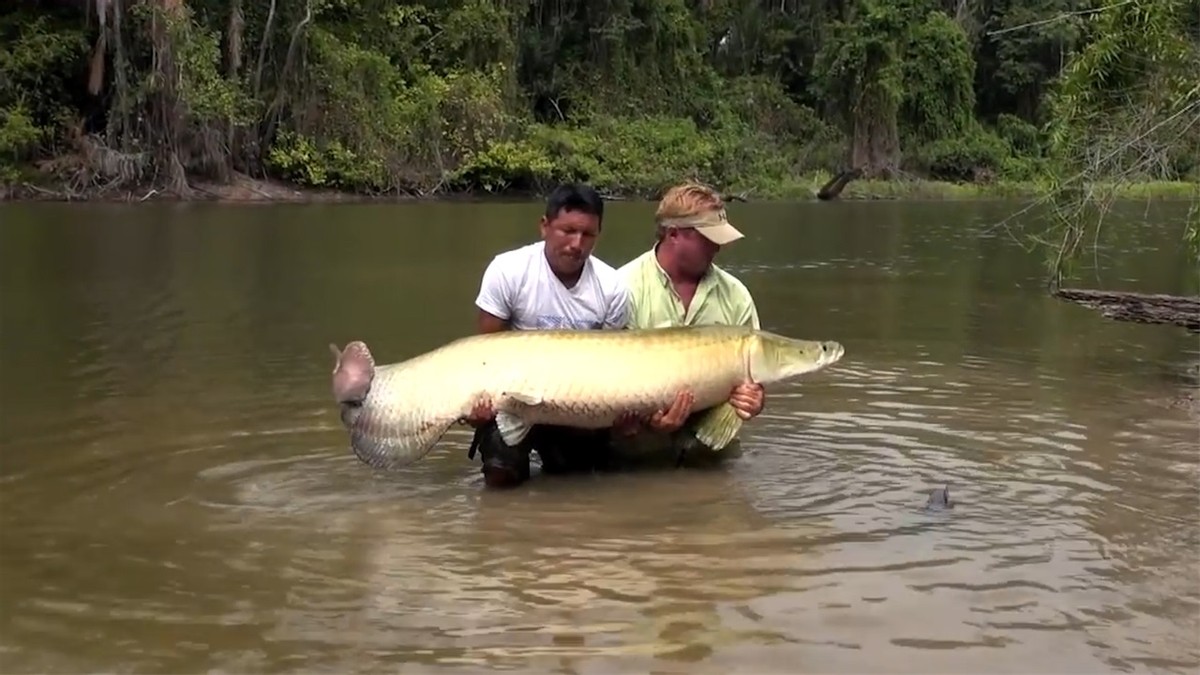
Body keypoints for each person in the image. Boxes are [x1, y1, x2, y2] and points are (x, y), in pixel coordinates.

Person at [462, 183, 691, 487]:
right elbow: (484, 353)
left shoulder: (612, 287)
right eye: (567, 231)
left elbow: (615, 368)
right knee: (501, 474)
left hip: (575, 405)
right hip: (515, 397)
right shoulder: (508, 271)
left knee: (575, 483)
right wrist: (475, 408)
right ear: (545, 226)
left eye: (588, 235)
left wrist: (625, 421)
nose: (576, 243)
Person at [611, 181, 767, 467]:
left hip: (710, 440)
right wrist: (647, 419)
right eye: (708, 239)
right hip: (638, 441)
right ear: (673, 234)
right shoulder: (622, 287)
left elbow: (753, 374)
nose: (718, 247)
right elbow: (609, 378)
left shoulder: (735, 295)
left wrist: (754, 399)